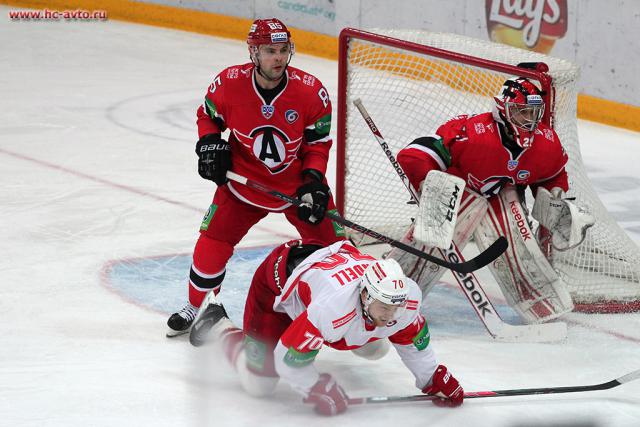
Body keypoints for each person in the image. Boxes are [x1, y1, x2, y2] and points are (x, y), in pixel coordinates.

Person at [167, 18, 345, 336]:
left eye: (283, 50)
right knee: (212, 245)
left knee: (337, 250)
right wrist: (209, 142)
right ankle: (196, 306)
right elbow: (208, 116)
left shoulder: (310, 92)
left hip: (295, 187)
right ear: (254, 52)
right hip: (242, 183)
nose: (278, 58)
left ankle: (346, 309)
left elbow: (318, 144)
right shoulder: (228, 84)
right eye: (270, 51)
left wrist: (314, 181)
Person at [388, 76, 592, 323]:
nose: (530, 120)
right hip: (457, 196)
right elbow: (417, 153)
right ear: (503, 110)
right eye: (522, 112)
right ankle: (388, 297)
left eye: (534, 113)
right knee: (426, 247)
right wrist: (428, 184)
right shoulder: (472, 134)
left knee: (517, 248)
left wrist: (553, 196)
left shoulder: (545, 143)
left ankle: (540, 304)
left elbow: (552, 174)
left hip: (501, 200)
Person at [189, 239, 464, 415]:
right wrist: (313, 385)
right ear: (365, 294)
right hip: (280, 283)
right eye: (384, 306)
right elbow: (287, 358)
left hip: (324, 259)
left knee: (376, 349)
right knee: (260, 383)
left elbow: (411, 337)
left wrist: (431, 377)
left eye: (395, 306)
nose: (392, 314)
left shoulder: (405, 299)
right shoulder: (333, 309)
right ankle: (217, 323)